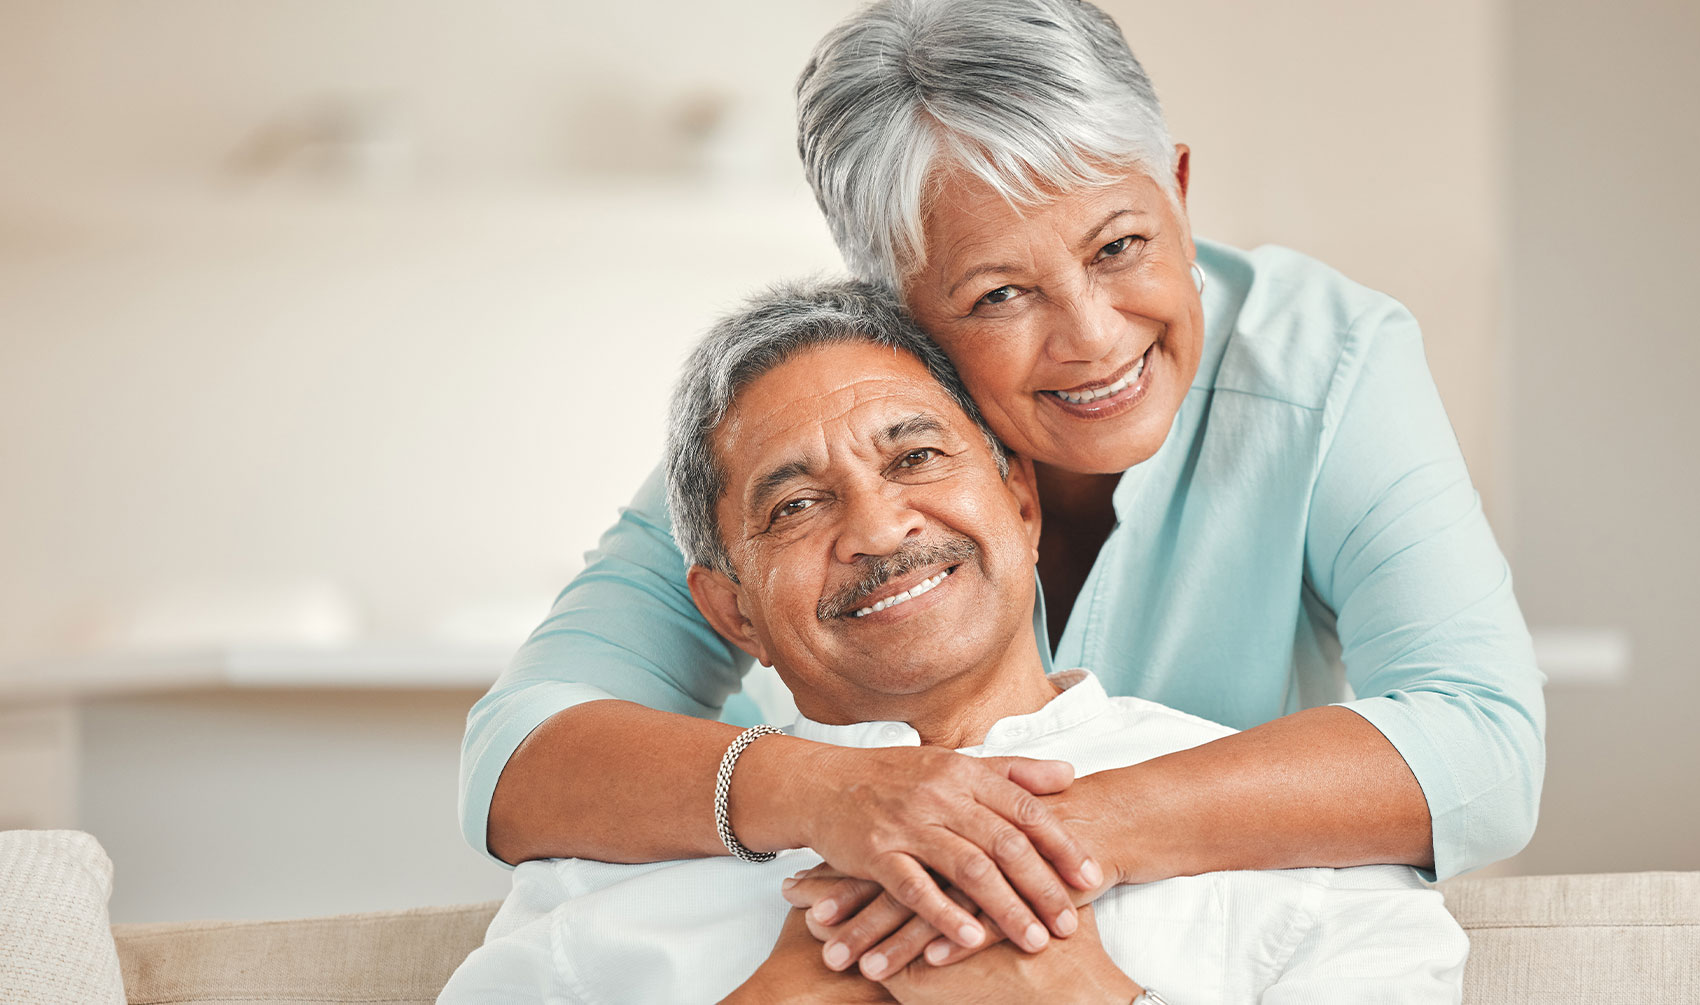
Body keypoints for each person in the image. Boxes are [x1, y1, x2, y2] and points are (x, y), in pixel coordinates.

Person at [461, 0, 1543, 981]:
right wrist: (838, 800)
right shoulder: (813, 422)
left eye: (1120, 245)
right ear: (897, 310)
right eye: (999, 293)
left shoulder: (1328, 361)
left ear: (1174, 185)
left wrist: (1002, 844)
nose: (1092, 335)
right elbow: (520, 756)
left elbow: (1482, 745)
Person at [437, 281, 1468, 1005]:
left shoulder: (1306, 872)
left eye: (916, 456)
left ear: (1020, 501)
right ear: (732, 611)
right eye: (795, 505)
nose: (881, 530)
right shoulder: (597, 883)